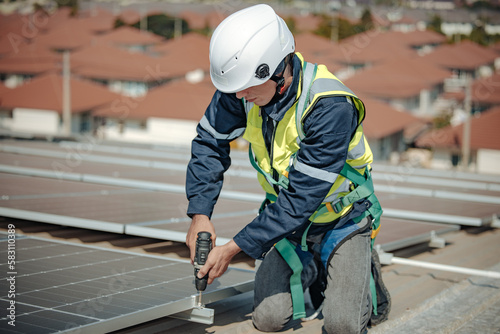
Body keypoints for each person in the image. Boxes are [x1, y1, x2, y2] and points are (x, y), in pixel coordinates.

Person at [185, 4, 388, 333]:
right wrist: (200, 214)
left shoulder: (329, 106)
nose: (239, 96)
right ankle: (316, 268)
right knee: (267, 320)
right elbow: (209, 144)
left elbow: (301, 199)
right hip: (290, 226)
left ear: (279, 72)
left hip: (342, 220)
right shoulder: (242, 88)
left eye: (246, 88)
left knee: (341, 327)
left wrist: (233, 248)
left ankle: (359, 268)